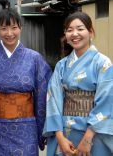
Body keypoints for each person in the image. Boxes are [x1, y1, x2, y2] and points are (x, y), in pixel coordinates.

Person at [0, 0, 52, 156]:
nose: (9, 33)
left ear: (20, 28)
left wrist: (42, 128)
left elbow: (43, 96)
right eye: (4, 28)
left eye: (14, 28)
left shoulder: (34, 59)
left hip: (26, 128)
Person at [44, 11, 113, 156]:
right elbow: (53, 101)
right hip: (65, 134)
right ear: (66, 36)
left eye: (80, 29)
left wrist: (87, 139)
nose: (75, 34)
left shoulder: (102, 63)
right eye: (70, 30)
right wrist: (59, 137)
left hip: (94, 135)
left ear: (90, 32)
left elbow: (107, 101)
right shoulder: (61, 66)